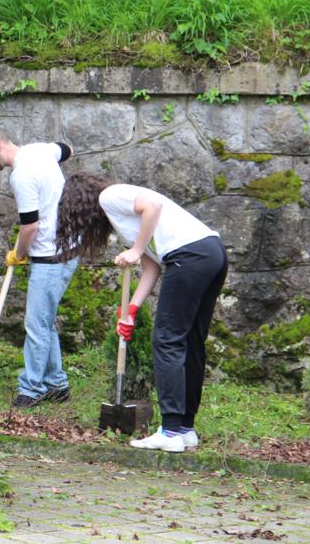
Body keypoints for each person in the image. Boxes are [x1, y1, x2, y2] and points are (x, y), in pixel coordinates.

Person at [55, 171, 228, 453]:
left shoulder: (109, 196)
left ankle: (170, 432)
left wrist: (135, 250)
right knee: (191, 343)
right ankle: (185, 430)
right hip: (211, 253)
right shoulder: (123, 219)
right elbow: (153, 267)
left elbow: (152, 206)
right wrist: (131, 311)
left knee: (168, 341)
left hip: (189, 256)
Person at [0, 126, 77, 409]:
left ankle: (31, 389)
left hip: (50, 257)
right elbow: (66, 149)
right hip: (69, 249)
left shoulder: (21, 175)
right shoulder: (41, 150)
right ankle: (57, 384)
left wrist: (18, 253)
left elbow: (30, 225)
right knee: (45, 321)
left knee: (36, 325)